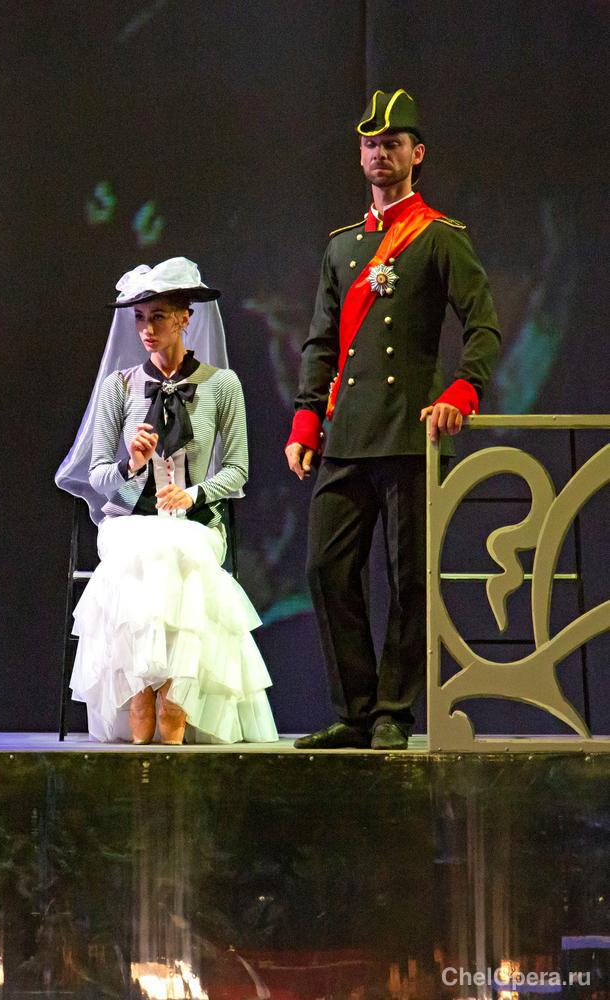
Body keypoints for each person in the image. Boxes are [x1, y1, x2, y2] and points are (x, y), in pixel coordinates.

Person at [285, 88, 501, 750]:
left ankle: (392, 712)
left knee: (408, 580)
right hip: (348, 433)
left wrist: (462, 392)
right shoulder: (341, 247)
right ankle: (355, 710)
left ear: (417, 153)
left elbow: (483, 326)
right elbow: (322, 342)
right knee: (326, 569)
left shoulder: (439, 237)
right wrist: (305, 419)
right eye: (371, 144)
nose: (381, 153)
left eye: (393, 144)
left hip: (410, 431)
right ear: (360, 155)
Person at [56, 257, 279, 745]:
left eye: (157, 316)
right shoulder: (120, 387)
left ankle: (175, 696)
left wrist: (194, 492)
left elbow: (238, 469)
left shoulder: (221, 384)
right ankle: (142, 691)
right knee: (147, 551)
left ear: (184, 318)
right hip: (130, 521)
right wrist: (131, 465)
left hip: (194, 522)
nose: (146, 329)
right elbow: (99, 476)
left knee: (178, 550)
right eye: (139, 318)